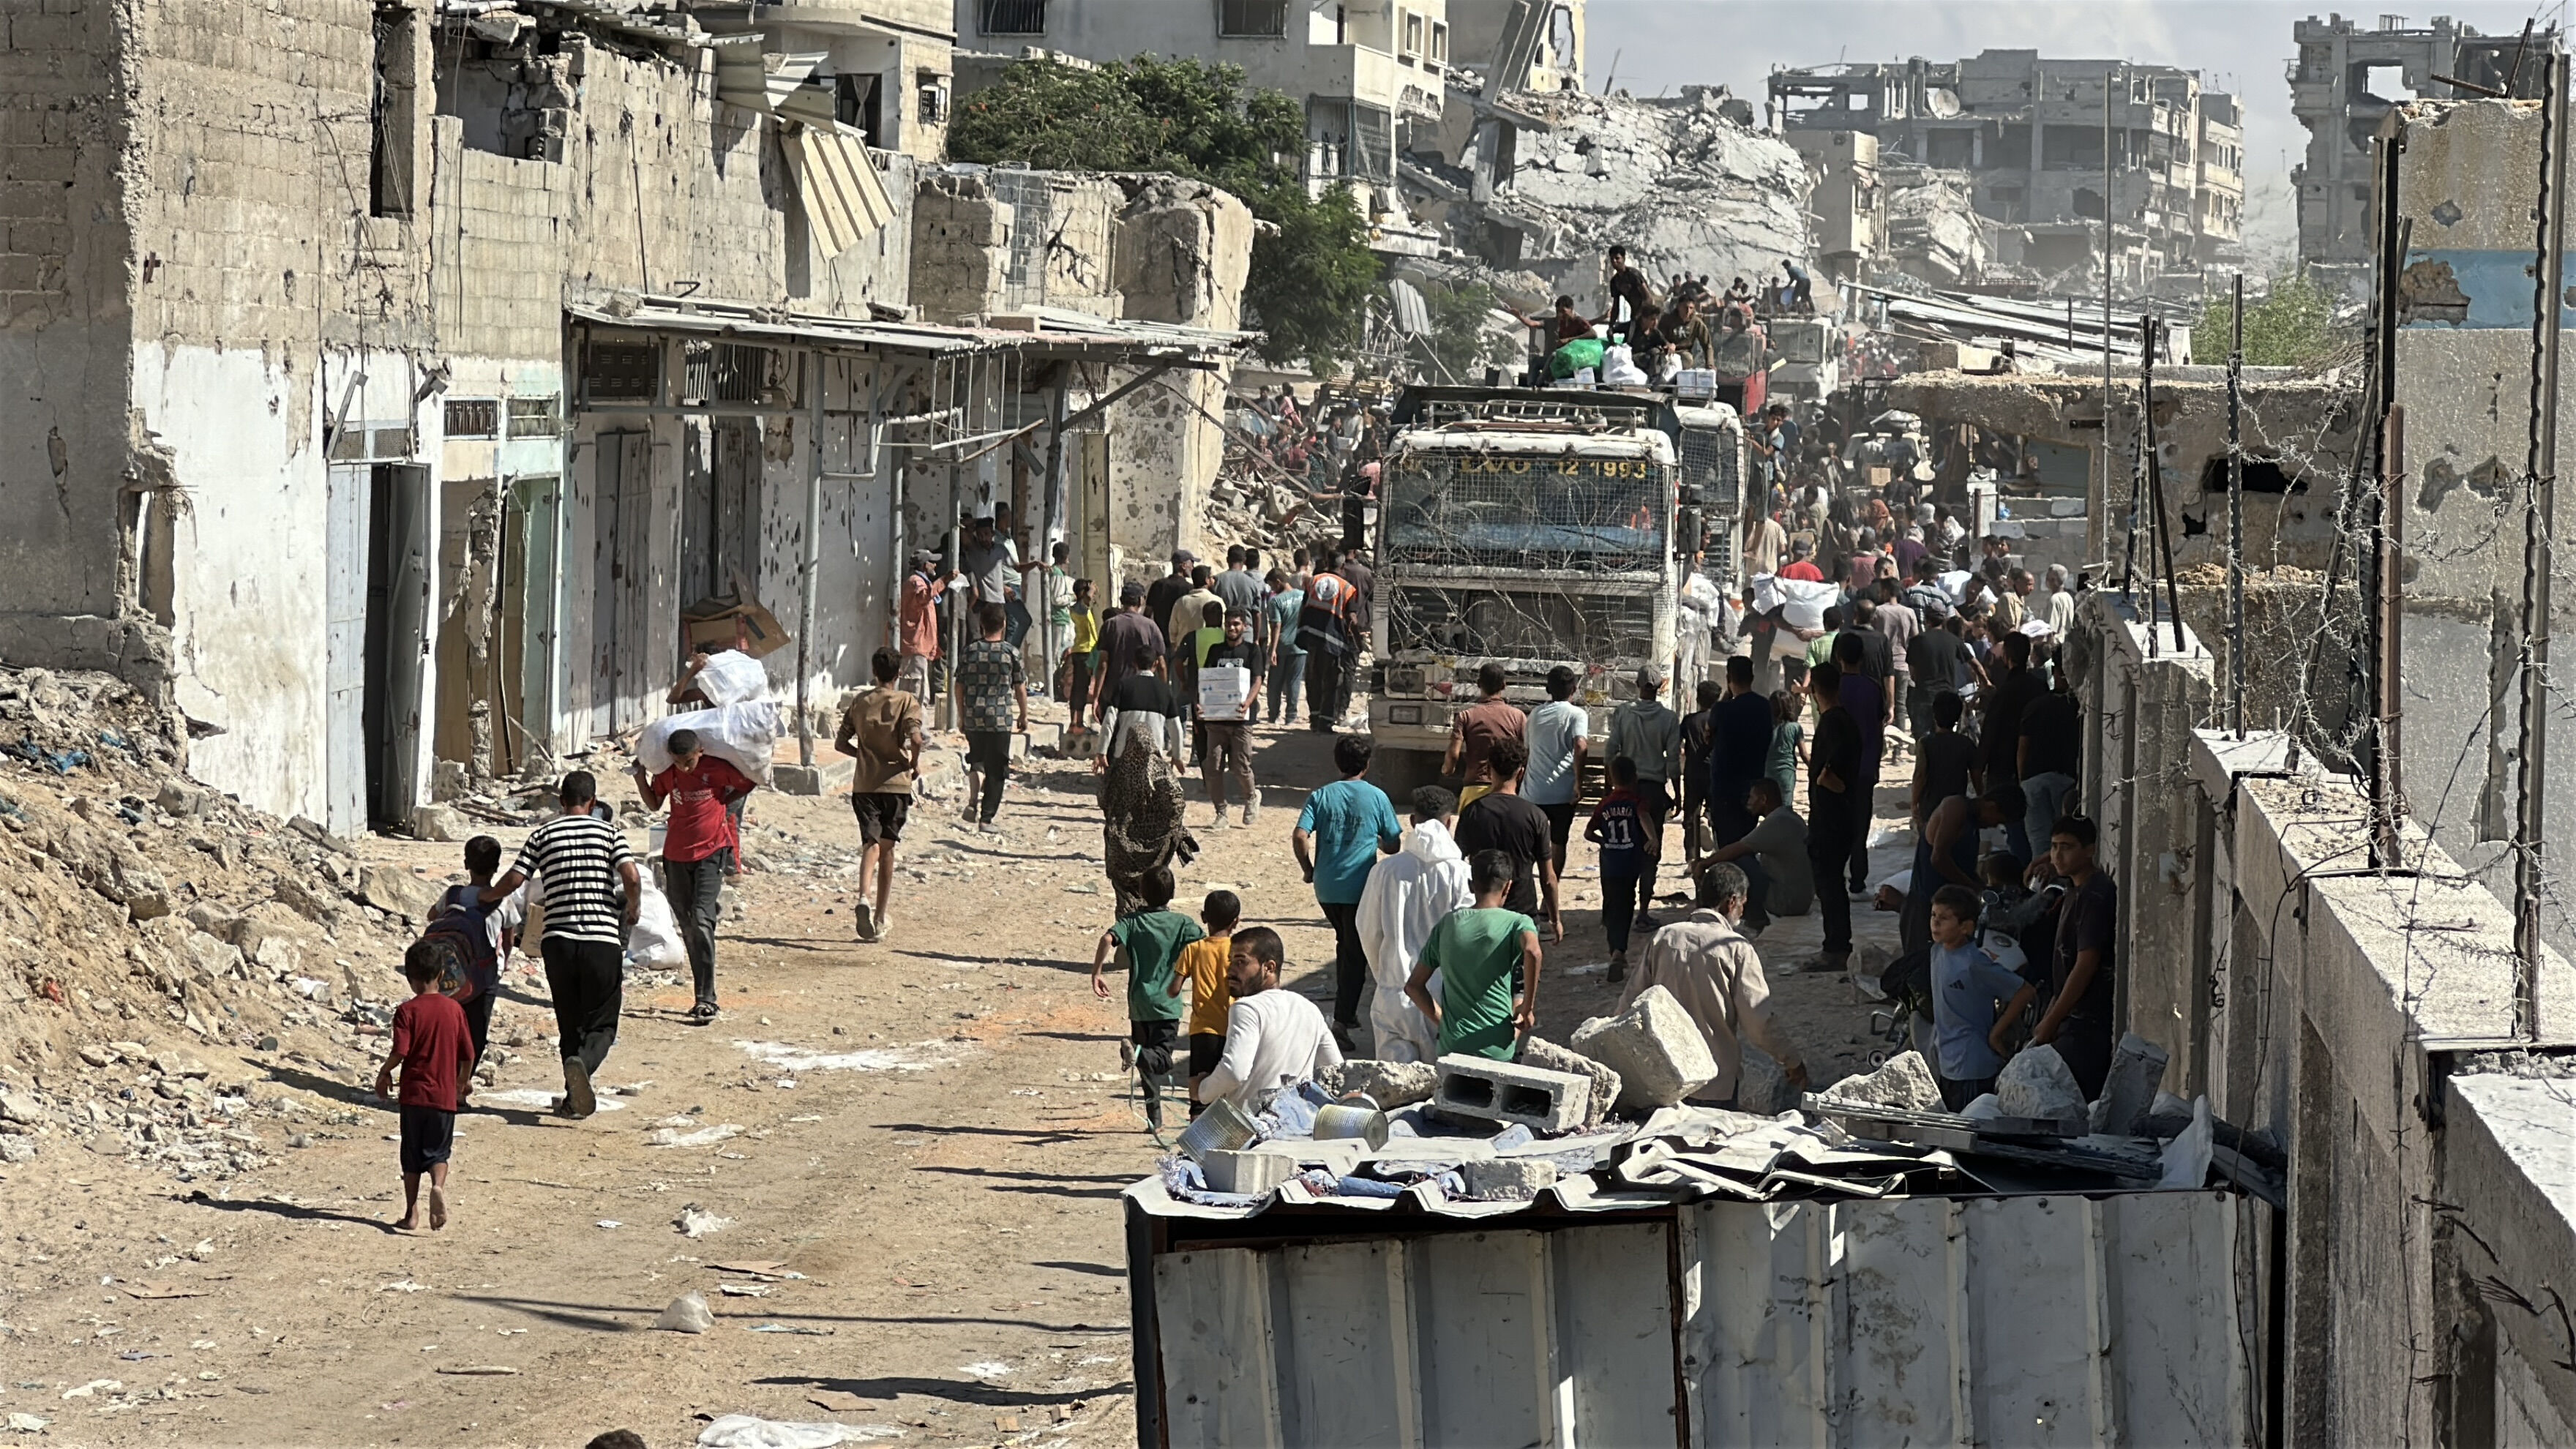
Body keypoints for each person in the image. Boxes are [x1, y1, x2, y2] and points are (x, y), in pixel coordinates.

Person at [478, 772, 641, 1120]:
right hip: (601, 941)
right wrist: (634, 908)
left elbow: (516, 878)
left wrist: (486, 896)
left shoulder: (543, 834)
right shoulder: (611, 833)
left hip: (558, 942)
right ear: (593, 803)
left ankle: (572, 1100)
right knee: (602, 1024)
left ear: (561, 802)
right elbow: (632, 876)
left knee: (569, 1020)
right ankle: (581, 1065)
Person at [1621, 861, 1810, 1107]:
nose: (1742, 912)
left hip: (1664, 1075)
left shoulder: (1665, 937)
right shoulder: (1735, 947)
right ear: (1730, 902)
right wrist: (1792, 1060)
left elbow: (1629, 1004)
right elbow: (1758, 1021)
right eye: (1742, 904)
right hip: (1714, 1079)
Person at [634, 727, 755, 1022]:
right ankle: (702, 991)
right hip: (675, 855)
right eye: (678, 761)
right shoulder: (668, 774)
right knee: (688, 923)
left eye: (688, 761)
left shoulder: (717, 768)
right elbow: (653, 803)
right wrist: (639, 776)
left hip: (711, 852)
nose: (684, 767)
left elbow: (749, 781)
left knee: (701, 919)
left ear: (700, 751)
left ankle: (706, 998)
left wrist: (726, 803)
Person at [1294, 734, 1404, 1046]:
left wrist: (1308, 869)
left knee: (1346, 943)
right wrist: (1378, 841)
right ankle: (1341, 1022)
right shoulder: (1377, 797)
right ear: (1367, 765)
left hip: (1326, 888)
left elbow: (1300, 835)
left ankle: (1348, 1010)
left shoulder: (1322, 795)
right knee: (1356, 954)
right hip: (1360, 888)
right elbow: (1394, 845)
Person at [1355, 786, 1472, 1063]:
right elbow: (1467, 939)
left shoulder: (1385, 871)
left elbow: (1368, 931)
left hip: (1395, 995)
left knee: (1394, 1092)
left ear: (1412, 821)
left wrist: (1385, 974)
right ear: (1449, 823)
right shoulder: (1462, 874)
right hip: (1443, 1002)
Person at [1089, 869, 1202, 1134]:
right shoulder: (1182, 924)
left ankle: (1155, 1121)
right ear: (1172, 893)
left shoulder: (1131, 922)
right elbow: (1205, 945)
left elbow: (1108, 938)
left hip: (1139, 1004)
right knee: (1162, 1058)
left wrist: (1097, 973)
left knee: (1148, 1071)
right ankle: (1137, 1054)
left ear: (1142, 893)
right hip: (1168, 1004)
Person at [1405, 849, 1543, 1060]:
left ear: (1471, 886)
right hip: (1496, 1049)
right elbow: (1533, 952)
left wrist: (1443, 1022)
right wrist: (1527, 1008)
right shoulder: (1517, 922)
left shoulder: (1447, 924)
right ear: (1508, 886)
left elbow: (1413, 986)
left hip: (1453, 1048)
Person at [377, 943, 476, 1232]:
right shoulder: (455, 1010)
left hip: (413, 1096)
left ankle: (411, 1214)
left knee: (411, 1155)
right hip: (444, 1097)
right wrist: (463, 1081)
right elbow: (467, 1053)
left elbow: (401, 1050)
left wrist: (384, 1072)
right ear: (442, 974)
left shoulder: (407, 1011)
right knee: (439, 1152)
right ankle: (438, 1187)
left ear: (411, 978)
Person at [1096, 638, 1194, 916]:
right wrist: (1177, 754)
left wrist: (1102, 752)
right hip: (1154, 762)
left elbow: (1110, 720)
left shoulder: (1124, 687)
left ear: (1134, 664)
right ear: (1155, 664)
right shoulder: (1164, 691)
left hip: (1122, 759)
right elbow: (1176, 727)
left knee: (1123, 816)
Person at [1200, 925, 1343, 1112]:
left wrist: (1203, 1091)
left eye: (1241, 962)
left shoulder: (1247, 1008)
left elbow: (1235, 1071)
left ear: (1269, 967)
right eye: (1230, 961)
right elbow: (1336, 1070)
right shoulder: (1309, 1009)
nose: (1231, 969)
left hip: (1252, 1130)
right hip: (1298, 1125)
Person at [836, 647, 924, 944]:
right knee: (888, 848)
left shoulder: (860, 702)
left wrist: (862, 755)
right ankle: (880, 917)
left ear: (874, 671)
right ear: (898, 674)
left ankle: (863, 895)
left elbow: (840, 742)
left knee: (870, 844)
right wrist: (913, 764)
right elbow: (915, 738)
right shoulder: (906, 701)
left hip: (864, 784)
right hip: (896, 785)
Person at [1928, 883, 2037, 1111]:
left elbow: (2025, 991)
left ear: (1966, 927)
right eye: (1934, 915)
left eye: (1945, 918)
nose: (1935, 923)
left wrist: (1996, 1034)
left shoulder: (1974, 963)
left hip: (1972, 1066)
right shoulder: (1937, 952)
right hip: (1946, 1062)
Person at [2036, 815, 2117, 1098]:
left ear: (2090, 850)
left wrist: (2052, 1020)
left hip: (2087, 1026)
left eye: (2067, 847)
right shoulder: (2074, 890)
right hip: (2070, 1021)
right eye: (2054, 846)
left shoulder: (2095, 896)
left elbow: (2086, 964)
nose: (2058, 855)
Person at [1453, 737, 1562, 940]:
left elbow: (1456, 863)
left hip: (1483, 909)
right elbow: (1548, 878)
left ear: (1488, 770)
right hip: (1522, 910)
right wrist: (1555, 919)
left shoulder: (1472, 812)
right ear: (1521, 772)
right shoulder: (1535, 815)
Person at [427, 836, 518, 1079]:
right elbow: (508, 941)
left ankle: (439, 1079)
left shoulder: (453, 895)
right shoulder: (503, 901)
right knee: (475, 1033)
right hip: (484, 979)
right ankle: (460, 1087)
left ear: (466, 863)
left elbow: (431, 916)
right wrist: (504, 963)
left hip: (448, 974)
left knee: (446, 1028)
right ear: (497, 867)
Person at [1905, 782, 2025, 959]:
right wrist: (1974, 888)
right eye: (1998, 821)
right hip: (1926, 907)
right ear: (1991, 806)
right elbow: (1939, 859)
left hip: (1948, 911)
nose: (1993, 826)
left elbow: (1963, 869)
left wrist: (1984, 889)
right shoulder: (1955, 807)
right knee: (1923, 969)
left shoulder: (1973, 826)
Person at [1606, 664, 1682, 927]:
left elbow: (1610, 751)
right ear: (1661, 687)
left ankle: (1616, 910)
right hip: (1653, 792)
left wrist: (1611, 788)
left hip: (1626, 789)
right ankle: (1643, 912)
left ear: (1637, 685)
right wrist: (1678, 793)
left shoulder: (1624, 713)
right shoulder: (1669, 719)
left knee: (1623, 847)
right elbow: (1673, 761)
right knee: (1651, 849)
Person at [1804, 662, 1861, 975]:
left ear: (1815, 691)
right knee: (1831, 883)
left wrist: (1827, 783)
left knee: (1829, 884)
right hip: (1841, 815)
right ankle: (1837, 943)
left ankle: (1836, 946)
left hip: (1831, 818)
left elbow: (1830, 770)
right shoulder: (1845, 722)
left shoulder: (1832, 723)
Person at [953, 602, 1029, 835]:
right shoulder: (1010, 653)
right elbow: (1020, 687)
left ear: (982, 625)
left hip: (974, 716)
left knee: (976, 760)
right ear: (1004, 625)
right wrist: (1024, 715)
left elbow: (959, 685)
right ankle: (986, 819)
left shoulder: (970, 651)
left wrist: (961, 714)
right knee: (997, 770)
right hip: (1000, 719)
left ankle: (973, 799)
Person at [1707, 776, 1813, 935]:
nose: (1749, 802)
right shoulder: (1789, 817)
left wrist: (1704, 864)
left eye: (1752, 797)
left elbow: (1736, 849)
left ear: (1763, 799)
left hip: (1788, 902)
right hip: (1802, 899)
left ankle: (1755, 918)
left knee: (1738, 862)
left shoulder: (1777, 822)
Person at [1830, 631, 1888, 896]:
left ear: (1838, 656)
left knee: (1835, 823)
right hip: (1865, 768)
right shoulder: (1873, 688)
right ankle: (1858, 880)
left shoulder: (1833, 688)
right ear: (1863, 657)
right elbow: (1878, 725)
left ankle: (1833, 878)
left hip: (1835, 770)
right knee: (1860, 824)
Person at [1978, 632, 2042, 861]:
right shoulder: (2039, 687)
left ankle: (2020, 871)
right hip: (2038, 766)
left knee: (2014, 824)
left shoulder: (2005, 691)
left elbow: (1991, 732)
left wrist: (1979, 766)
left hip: (2006, 768)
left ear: (2007, 657)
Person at [1174, 889, 1240, 1112]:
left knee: (1199, 1093)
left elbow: (1174, 989)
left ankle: (1196, 1139)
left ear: (1203, 917)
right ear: (1236, 922)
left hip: (1202, 1030)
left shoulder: (1193, 949)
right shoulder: (1236, 951)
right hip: (1232, 1027)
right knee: (1228, 1091)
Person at [1587, 756, 1652, 979]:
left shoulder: (1604, 804)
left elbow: (1588, 832)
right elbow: (1643, 817)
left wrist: (1602, 841)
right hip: (1630, 862)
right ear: (1634, 777)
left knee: (1611, 901)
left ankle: (1613, 944)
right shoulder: (1637, 801)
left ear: (1611, 778)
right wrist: (1653, 838)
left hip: (1609, 863)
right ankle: (1619, 950)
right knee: (1626, 903)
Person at [1195, 609, 1262, 827]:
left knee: (1240, 767)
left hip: (1241, 721)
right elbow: (1207, 679)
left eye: (1236, 624)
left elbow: (1258, 680)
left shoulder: (1252, 651)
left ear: (1244, 626)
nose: (1232, 628)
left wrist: (1248, 703)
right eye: (1229, 624)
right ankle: (1221, 813)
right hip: (1216, 721)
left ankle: (1251, 796)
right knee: (1212, 767)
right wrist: (1201, 704)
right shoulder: (1216, 651)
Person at [1521, 664, 1590, 873]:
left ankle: (1524, 889)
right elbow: (1580, 746)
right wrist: (1579, 782)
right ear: (1574, 689)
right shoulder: (1577, 715)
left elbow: (1527, 750)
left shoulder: (1535, 714)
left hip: (1533, 793)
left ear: (1548, 690)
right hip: (1562, 793)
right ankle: (1551, 889)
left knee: (1530, 843)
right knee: (1558, 842)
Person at [1707, 656, 1775, 855]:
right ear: (1752, 677)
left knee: (1727, 845)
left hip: (1724, 787)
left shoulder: (1722, 709)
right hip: (1752, 787)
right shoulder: (1764, 707)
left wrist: (1726, 697)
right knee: (1747, 844)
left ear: (1728, 678)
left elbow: (1709, 736)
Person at [2018, 652, 2082, 860]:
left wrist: (2023, 781)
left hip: (2034, 780)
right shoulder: (2079, 707)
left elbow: (2023, 748)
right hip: (2067, 781)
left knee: (2040, 843)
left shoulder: (2036, 706)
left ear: (2055, 671)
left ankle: (2043, 886)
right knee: (2065, 842)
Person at [1442, 661, 1526, 808]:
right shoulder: (1518, 717)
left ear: (1479, 684)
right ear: (1504, 685)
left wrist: (1448, 770)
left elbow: (1453, 754)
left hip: (1474, 788)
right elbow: (1526, 753)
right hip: (1506, 788)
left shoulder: (1466, 716)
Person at [1298, 550, 1361, 732]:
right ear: (1342, 567)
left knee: (1313, 679)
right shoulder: (1348, 588)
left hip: (1311, 636)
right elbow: (1352, 618)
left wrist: (1300, 633)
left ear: (1326, 562)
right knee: (1331, 681)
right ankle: (1325, 723)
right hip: (1332, 641)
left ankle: (1314, 719)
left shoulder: (1313, 580)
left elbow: (1304, 607)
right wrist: (1357, 640)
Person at [1094, 580, 1167, 714]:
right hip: (1142, 692)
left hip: (1113, 692)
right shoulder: (1150, 626)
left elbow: (1103, 664)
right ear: (1140, 600)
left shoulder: (1109, 625)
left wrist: (1096, 698)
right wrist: (1163, 694)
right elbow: (1161, 666)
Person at [1910, 690, 1977, 826]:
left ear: (1934, 715)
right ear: (1958, 718)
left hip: (1930, 806)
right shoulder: (1966, 744)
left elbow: (1920, 776)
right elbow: (1976, 776)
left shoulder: (1925, 743)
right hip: (1956, 805)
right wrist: (1980, 798)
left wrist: (1914, 802)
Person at [897, 550, 950, 700]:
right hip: (915, 642)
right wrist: (943, 581)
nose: (935, 565)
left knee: (918, 686)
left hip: (921, 643)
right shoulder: (916, 582)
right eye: (932, 562)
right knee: (916, 688)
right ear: (924, 565)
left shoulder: (921, 581)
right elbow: (924, 597)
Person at [1263, 568, 1306, 727]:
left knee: (1274, 683)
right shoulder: (1303, 596)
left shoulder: (1276, 601)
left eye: (1272, 585)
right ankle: (1291, 716)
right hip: (1300, 646)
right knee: (1294, 682)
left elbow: (1276, 626)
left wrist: (1272, 650)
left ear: (1279, 582)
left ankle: (1273, 715)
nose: (1272, 589)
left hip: (1282, 646)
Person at [1596, 244, 1657, 344]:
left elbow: (1648, 298)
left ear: (1624, 259)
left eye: (1617, 258)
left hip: (1647, 315)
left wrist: (1640, 315)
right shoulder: (1615, 282)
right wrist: (1611, 326)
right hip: (1634, 317)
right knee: (1626, 343)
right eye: (1612, 259)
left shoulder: (1633, 275)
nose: (1614, 262)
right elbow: (1616, 306)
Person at [1063, 577, 1100, 730]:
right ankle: (1076, 723)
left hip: (1085, 651)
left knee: (1080, 687)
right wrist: (1091, 590)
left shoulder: (1081, 608)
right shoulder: (1079, 608)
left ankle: (1076, 722)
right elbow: (1087, 599)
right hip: (1084, 652)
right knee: (1080, 688)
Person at [1165, 564, 1222, 664]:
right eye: (1212, 577)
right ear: (1207, 580)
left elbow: (1172, 631)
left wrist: (1177, 649)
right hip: (1209, 658)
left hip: (1185, 658)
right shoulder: (1216, 601)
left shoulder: (1181, 602)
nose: (1214, 580)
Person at [1765, 684, 1806, 809]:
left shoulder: (1764, 727)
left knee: (1770, 809)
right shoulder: (1795, 728)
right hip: (1786, 774)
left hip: (1767, 772)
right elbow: (1804, 755)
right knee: (1785, 809)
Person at [1143, 550, 1195, 646]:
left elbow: (1147, 613)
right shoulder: (1189, 588)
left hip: (1159, 640)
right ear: (1184, 566)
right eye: (1191, 564)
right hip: (1180, 641)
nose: (1193, 567)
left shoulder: (1158, 585)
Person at [1742, 509, 1787, 581]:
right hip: (1769, 570)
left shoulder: (1753, 525)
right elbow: (1782, 548)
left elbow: (1747, 545)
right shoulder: (1777, 527)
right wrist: (1772, 554)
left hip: (1753, 569)